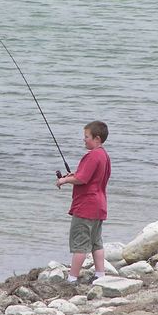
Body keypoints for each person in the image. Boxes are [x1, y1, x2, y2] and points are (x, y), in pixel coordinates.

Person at [56, 121, 111, 284]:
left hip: (86, 207)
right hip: (99, 205)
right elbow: (92, 176)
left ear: (97, 138)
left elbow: (82, 178)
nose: (84, 140)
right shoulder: (104, 155)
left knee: (80, 244)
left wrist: (64, 181)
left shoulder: (92, 155)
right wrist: (72, 175)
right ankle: (100, 275)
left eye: (86, 137)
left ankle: (72, 278)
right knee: (96, 242)